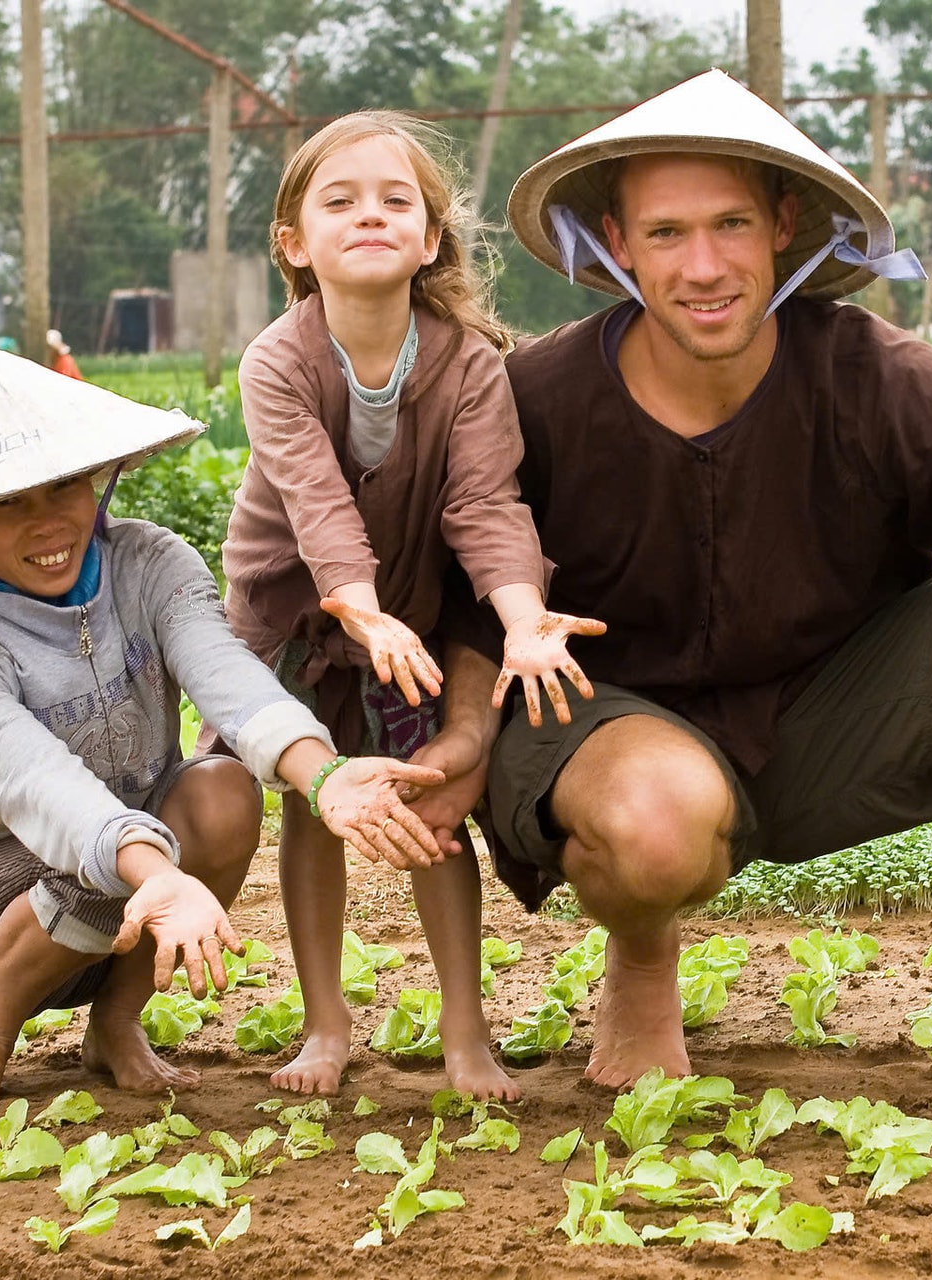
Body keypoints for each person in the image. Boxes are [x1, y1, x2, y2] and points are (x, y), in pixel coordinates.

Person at [431, 70, 932, 1091]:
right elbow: (459, 583)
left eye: (732, 223)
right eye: (666, 233)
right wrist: (467, 740)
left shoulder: (880, 380)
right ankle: (642, 958)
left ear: (784, 224)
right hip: (613, 729)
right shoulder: (538, 398)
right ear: (614, 240)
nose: (704, 266)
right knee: (656, 825)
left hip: (825, 717)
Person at [0, 341, 445, 1121]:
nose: (47, 521)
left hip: (127, 887)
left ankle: (115, 1022)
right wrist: (155, 875)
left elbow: (225, 671)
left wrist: (321, 772)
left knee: (221, 790)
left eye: (63, 487)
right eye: (8, 503)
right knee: (96, 852)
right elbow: (39, 787)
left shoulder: (148, 562)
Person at [221, 112, 604, 1101]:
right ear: (295, 243)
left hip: (412, 620)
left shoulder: (468, 362)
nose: (372, 216)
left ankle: (465, 1032)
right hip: (299, 616)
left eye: (397, 201)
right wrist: (355, 606)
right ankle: (324, 1024)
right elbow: (312, 500)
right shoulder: (276, 360)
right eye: (340, 201)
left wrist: (522, 616)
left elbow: (485, 502)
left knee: (435, 804)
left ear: (431, 238)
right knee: (323, 803)